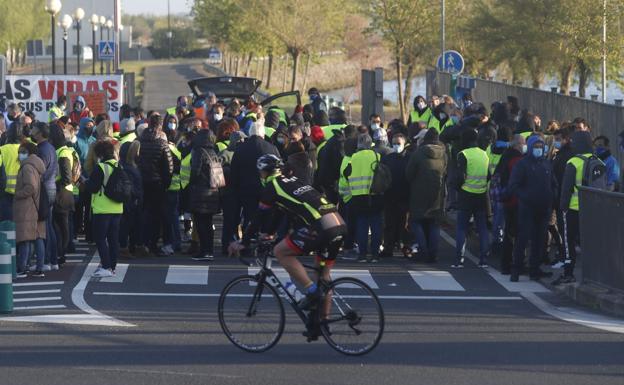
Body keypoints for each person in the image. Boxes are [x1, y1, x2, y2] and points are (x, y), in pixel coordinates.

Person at [228, 154, 346, 317]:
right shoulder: (293, 181)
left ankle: (312, 292)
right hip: (338, 224)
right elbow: (280, 212)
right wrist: (270, 233)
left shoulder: (272, 186)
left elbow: (259, 216)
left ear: (264, 172)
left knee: (280, 252)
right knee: (323, 276)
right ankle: (322, 323)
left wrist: (244, 241)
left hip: (321, 227)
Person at [506, 135, 555, 281]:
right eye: (536, 147)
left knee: (539, 240)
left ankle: (534, 269)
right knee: (523, 239)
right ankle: (516, 269)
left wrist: (552, 197)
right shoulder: (522, 164)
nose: (538, 150)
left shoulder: (546, 164)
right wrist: (525, 197)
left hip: (544, 208)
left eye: (541, 147)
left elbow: (553, 183)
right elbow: (514, 185)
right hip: (527, 208)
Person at [554, 131, 597, 285]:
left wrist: (562, 206)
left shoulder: (573, 162)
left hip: (572, 209)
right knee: (590, 242)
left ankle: (568, 273)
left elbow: (566, 188)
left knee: (568, 241)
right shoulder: (598, 161)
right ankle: (593, 275)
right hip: (593, 210)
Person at [230, 115, 280, 231]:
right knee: (266, 220)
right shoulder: (272, 148)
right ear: (263, 134)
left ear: (249, 133)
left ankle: (248, 242)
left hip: (246, 191)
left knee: (249, 218)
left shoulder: (241, 149)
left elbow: (234, 172)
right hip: (266, 190)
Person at [405, 129, 447, 263]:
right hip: (437, 193)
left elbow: (409, 174)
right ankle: (433, 253)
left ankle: (423, 251)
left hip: (419, 192)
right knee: (434, 223)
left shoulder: (418, 153)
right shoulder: (444, 155)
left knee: (417, 221)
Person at [84, 140, 123, 278]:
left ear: (99, 154)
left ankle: (106, 266)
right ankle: (112, 266)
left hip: (102, 208)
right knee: (113, 239)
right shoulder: (119, 166)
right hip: (117, 208)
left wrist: (85, 183)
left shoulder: (100, 167)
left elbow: (93, 188)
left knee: (100, 238)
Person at [344, 133, 383, 263]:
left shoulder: (353, 157)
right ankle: (375, 254)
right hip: (375, 195)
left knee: (362, 225)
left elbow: (346, 173)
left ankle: (362, 254)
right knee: (376, 224)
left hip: (358, 196)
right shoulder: (377, 156)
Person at [137, 114, 174, 255]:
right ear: (160, 125)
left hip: (142, 182)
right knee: (156, 215)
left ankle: (142, 242)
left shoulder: (140, 141)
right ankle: (153, 243)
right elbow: (169, 167)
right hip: (157, 183)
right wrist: (166, 183)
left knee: (143, 212)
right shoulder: (162, 143)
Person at [453, 128, 490, 268]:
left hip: (466, 194)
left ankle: (459, 259)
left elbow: (460, 176)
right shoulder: (484, 154)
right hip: (481, 194)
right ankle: (484, 259)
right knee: (482, 227)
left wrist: (457, 188)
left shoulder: (463, 154)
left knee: (462, 227)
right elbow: (488, 175)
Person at [189, 125, 221, 261]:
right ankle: (209, 250)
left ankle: (203, 251)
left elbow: (195, 172)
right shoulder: (213, 152)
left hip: (200, 193)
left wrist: (191, 184)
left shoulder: (198, 152)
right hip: (213, 192)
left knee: (200, 223)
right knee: (208, 224)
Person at [14, 142, 47, 278]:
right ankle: (39, 267)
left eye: (22, 151)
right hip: (37, 205)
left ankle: (22, 268)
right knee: (38, 237)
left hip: (27, 207)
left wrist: (17, 194)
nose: (19, 154)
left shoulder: (27, 167)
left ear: (28, 152)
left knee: (25, 239)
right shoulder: (37, 165)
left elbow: (30, 187)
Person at [495, 134, 525, 274]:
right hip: (516, 200)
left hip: (506, 199)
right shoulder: (517, 160)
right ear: (517, 145)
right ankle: (514, 264)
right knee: (517, 234)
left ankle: (505, 264)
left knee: (508, 232)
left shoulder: (505, 157)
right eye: (522, 144)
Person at [31, 122, 59, 271]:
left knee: (44, 226)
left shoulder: (42, 150)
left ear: (40, 133)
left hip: (44, 190)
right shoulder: (50, 148)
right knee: (49, 225)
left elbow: (40, 172)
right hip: (51, 187)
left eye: (34, 130)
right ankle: (52, 260)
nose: (31, 132)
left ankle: (47, 260)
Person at [380, 133, 410, 258]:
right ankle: (389, 247)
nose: (396, 146)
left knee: (404, 224)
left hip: (405, 195)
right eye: (394, 143)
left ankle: (404, 247)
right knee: (389, 223)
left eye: (399, 143)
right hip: (390, 195)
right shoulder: (388, 158)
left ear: (404, 144)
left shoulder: (409, 158)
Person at [218, 130, 246, 254]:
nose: (243, 142)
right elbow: (216, 170)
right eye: (241, 140)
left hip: (235, 192)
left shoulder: (234, 153)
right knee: (230, 220)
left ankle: (232, 244)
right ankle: (227, 245)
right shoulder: (227, 154)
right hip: (229, 192)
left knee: (234, 220)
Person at [119, 141, 143, 258]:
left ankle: (130, 247)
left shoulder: (128, 165)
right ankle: (124, 248)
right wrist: (137, 195)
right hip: (130, 201)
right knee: (126, 225)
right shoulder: (128, 168)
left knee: (130, 225)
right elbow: (130, 186)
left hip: (131, 200)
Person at [0, 122, 24, 220]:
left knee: (8, 226)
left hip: (6, 193)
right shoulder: (28, 148)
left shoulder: (2, 149)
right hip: (24, 192)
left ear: (8, 133)